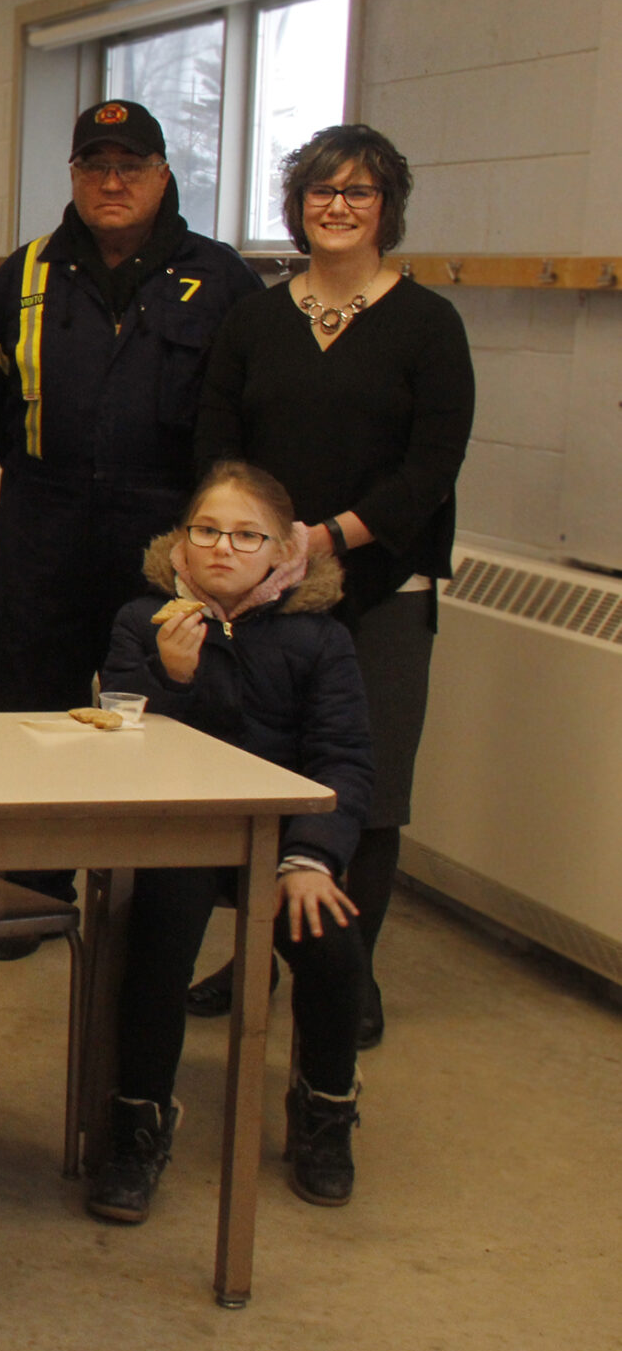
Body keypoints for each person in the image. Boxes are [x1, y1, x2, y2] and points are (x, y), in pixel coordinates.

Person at [190, 125, 472, 1048]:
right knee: (264, 773)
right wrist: (257, 546)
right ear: (297, 205)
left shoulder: (430, 325)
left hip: (384, 588)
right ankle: (259, 955)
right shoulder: (256, 319)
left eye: (358, 192)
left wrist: (325, 539)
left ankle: (347, 971)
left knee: (369, 786)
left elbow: (429, 466)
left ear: (387, 207)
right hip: (263, 591)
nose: (338, 207)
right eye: (321, 191)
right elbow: (217, 443)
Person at [0, 100, 259, 915]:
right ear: (72, 175)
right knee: (32, 702)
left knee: (168, 707)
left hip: (166, 527)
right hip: (44, 521)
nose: (111, 181)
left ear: (162, 175)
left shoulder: (221, 277)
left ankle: (161, 894)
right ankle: (32, 887)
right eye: (94, 165)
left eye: (130, 165)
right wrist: (44, 478)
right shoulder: (24, 272)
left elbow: (238, 411)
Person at [90, 462, 374, 1220]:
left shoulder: (320, 636)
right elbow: (115, 747)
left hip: (281, 840)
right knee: (158, 934)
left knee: (332, 937)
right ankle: (139, 1114)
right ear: (181, 543)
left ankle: (324, 1104)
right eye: (207, 530)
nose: (223, 548)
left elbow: (343, 757)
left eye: (247, 535)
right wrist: (170, 678)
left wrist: (312, 855)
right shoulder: (140, 619)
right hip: (184, 829)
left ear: (284, 552)